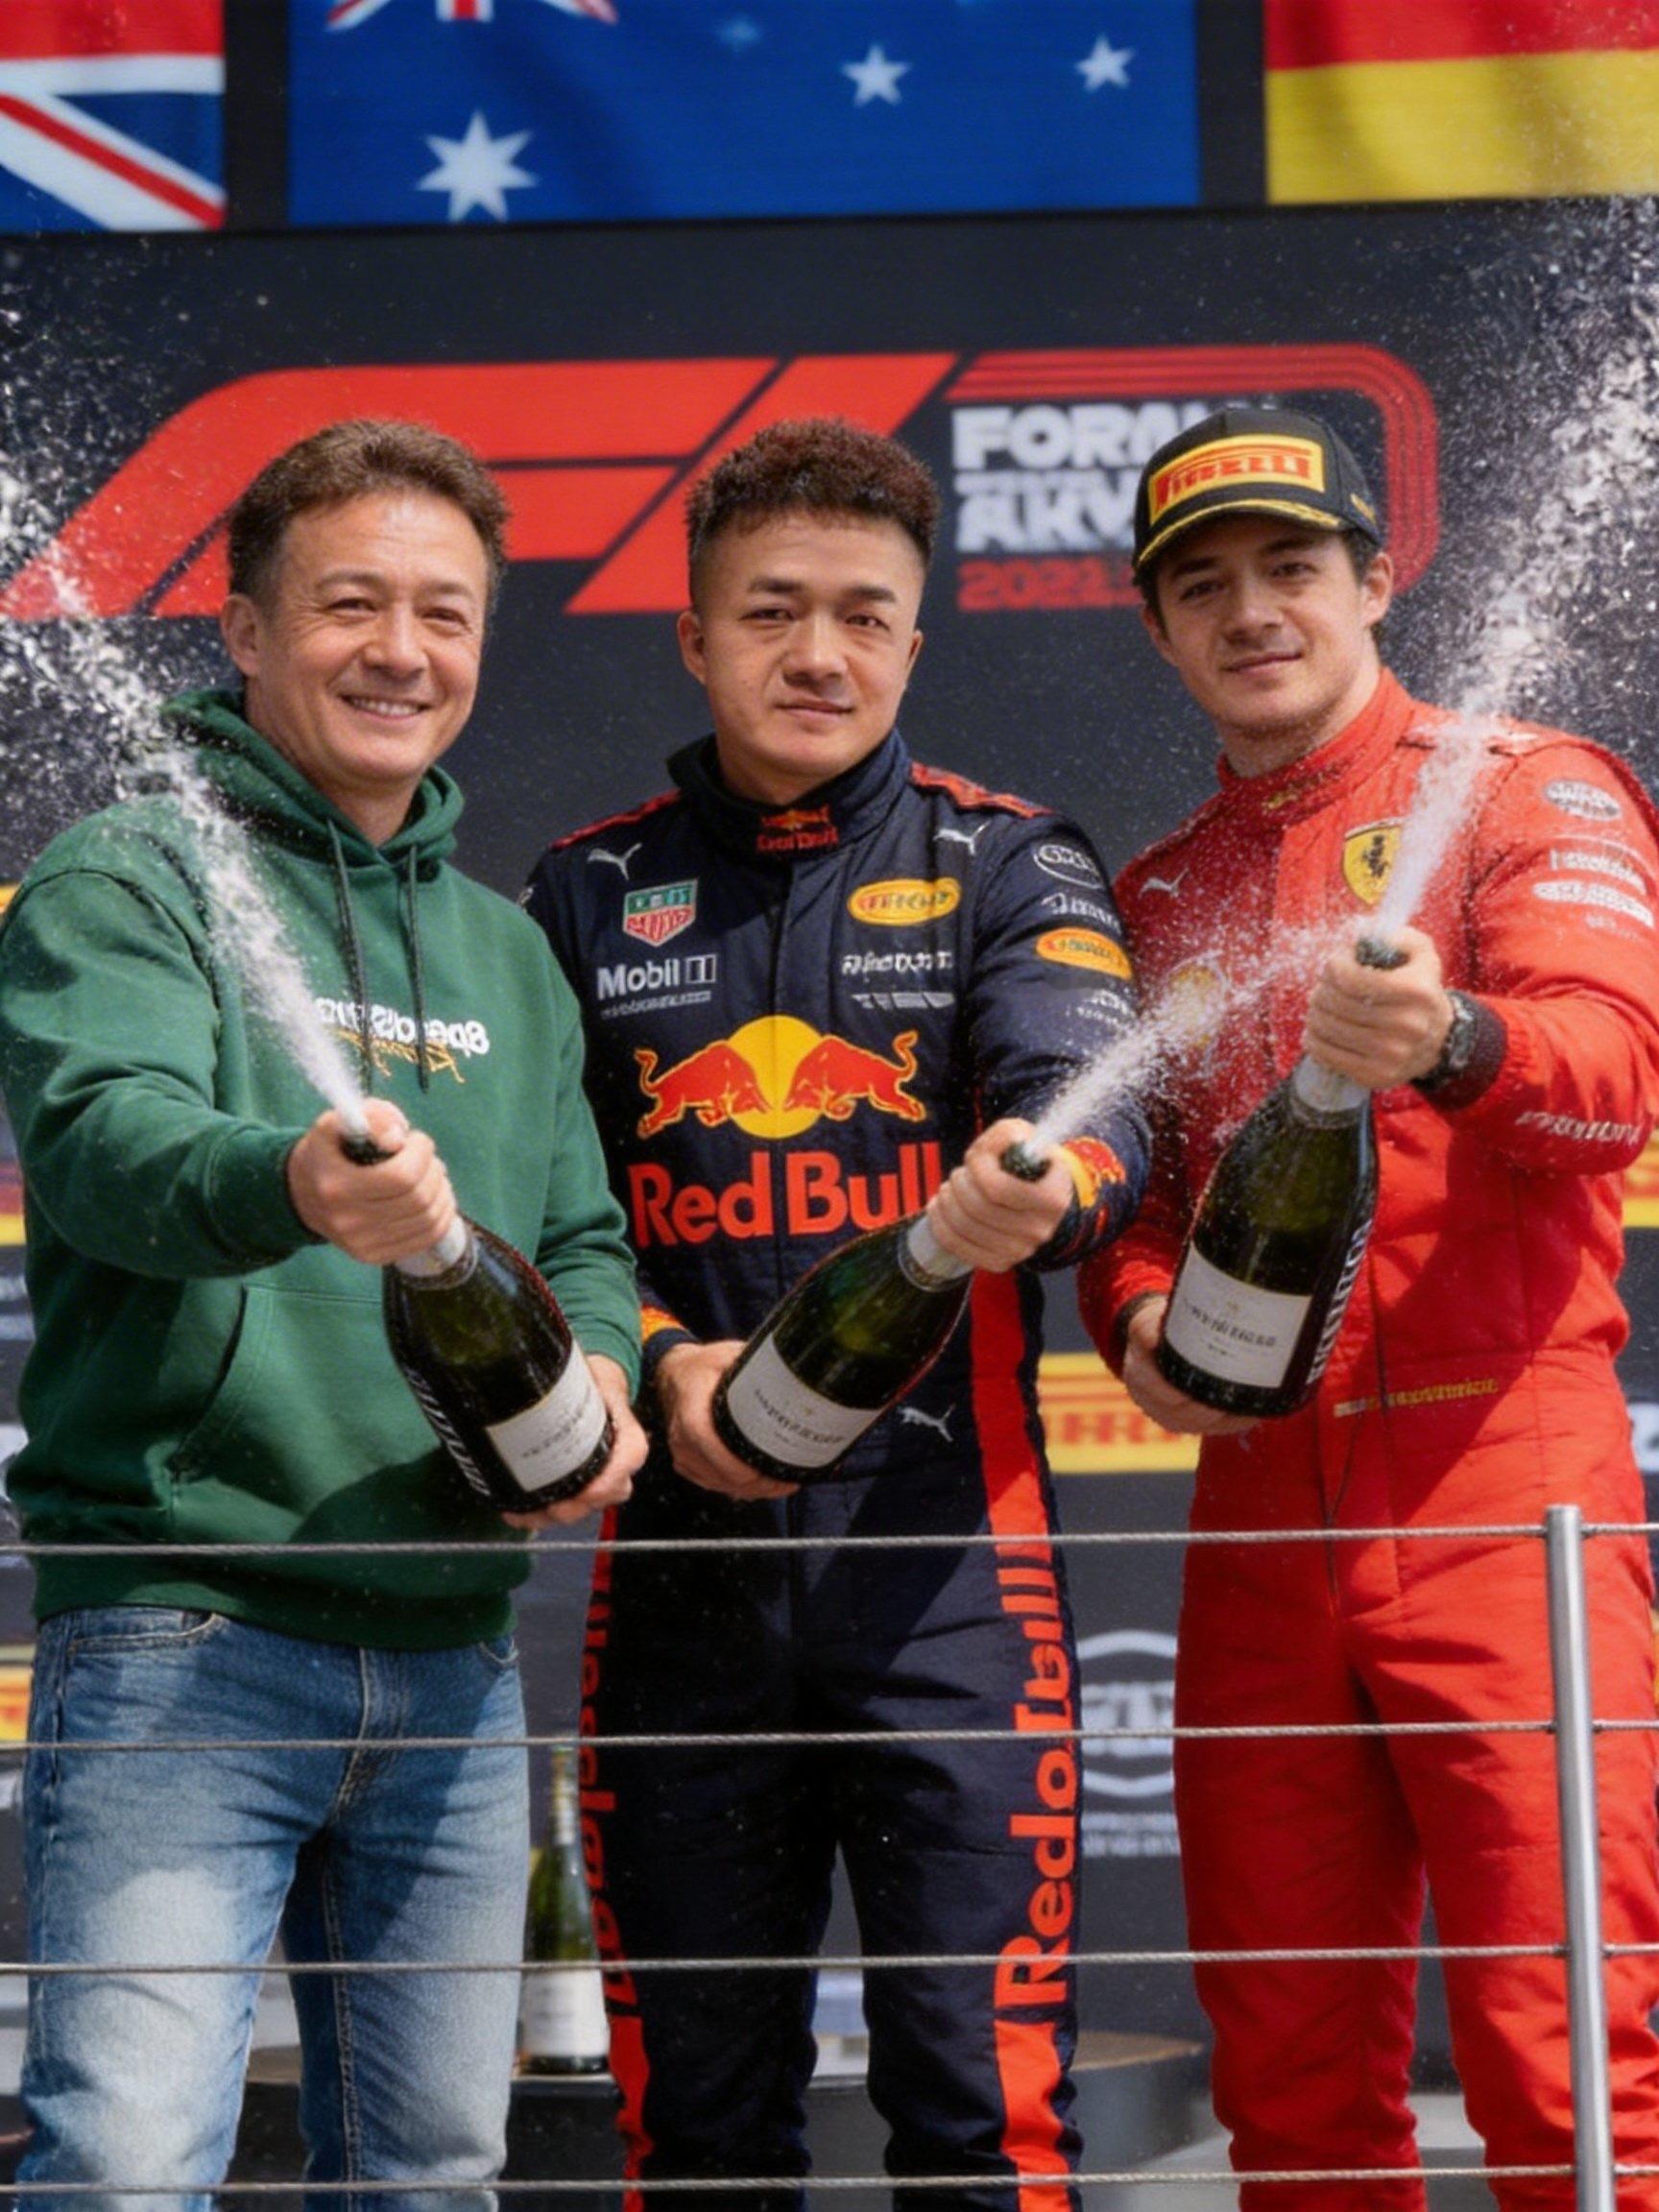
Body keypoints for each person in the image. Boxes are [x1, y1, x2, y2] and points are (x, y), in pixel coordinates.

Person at [0, 418, 647, 2210]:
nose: (401, 651)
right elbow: (101, 1145)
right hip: (186, 1640)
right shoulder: (130, 873)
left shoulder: (508, 951)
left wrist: (600, 1378)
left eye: (446, 613)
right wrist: (290, 1178)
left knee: (433, 2173)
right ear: (246, 627)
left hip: (455, 1663)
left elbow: (584, 1237)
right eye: (351, 603)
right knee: (126, 2168)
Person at [523, 416, 1149, 2210]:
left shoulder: (1008, 860)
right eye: (773, 611)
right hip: (677, 1595)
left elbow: (1097, 1096)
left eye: (865, 616)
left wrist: (1043, 1177)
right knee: (698, 2143)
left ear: (915, 642)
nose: (820, 653)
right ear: (694, 636)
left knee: (985, 2126)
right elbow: (536, 1215)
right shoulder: (581, 891)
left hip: (952, 1588)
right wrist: (656, 1360)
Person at [1078, 403, 1659, 2211]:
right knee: (1290, 2080)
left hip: (1507, 1482)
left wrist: (1455, 1039)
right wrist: (1140, 1323)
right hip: (1261, 1511)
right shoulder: (1161, 891)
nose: (1253, 611)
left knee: (1570, 2062)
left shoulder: (1524, 785)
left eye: (1291, 566)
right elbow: (1132, 1204)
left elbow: (1617, 1082)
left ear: (1377, 578)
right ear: (1158, 628)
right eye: (1204, 587)